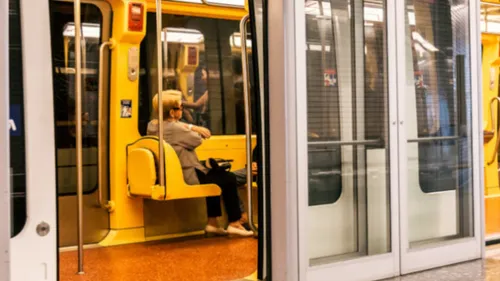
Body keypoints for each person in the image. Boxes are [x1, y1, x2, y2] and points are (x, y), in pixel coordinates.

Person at [147, 90, 253, 237]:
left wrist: (187, 127)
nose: (183, 109)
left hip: (175, 172)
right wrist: (192, 127)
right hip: (188, 175)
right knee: (228, 178)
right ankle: (234, 222)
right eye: (181, 107)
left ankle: (213, 223)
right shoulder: (175, 129)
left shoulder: (152, 126)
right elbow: (200, 138)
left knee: (216, 176)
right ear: (172, 112)